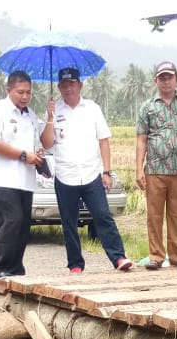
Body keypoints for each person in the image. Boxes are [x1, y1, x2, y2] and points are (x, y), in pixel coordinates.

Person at [40, 67, 132, 274]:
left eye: (71, 84)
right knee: (69, 222)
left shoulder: (92, 108)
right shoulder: (56, 112)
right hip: (65, 175)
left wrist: (107, 172)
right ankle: (75, 264)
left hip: (91, 174)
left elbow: (104, 141)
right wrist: (49, 117)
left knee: (102, 215)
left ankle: (118, 257)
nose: (67, 88)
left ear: (80, 85)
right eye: (63, 85)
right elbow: (46, 144)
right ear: (60, 88)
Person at [0, 70, 44, 278]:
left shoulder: (32, 116)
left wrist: (36, 154)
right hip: (1, 177)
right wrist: (24, 155)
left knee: (24, 225)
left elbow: (36, 144)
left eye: (28, 92)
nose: (25, 96)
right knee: (13, 219)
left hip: (25, 180)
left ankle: (15, 267)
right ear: (9, 90)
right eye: (20, 92)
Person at [136, 61, 177, 271]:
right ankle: (156, 256)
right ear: (156, 81)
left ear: (176, 79)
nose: (166, 81)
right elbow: (141, 139)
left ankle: (176, 256)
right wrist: (138, 169)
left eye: (169, 77)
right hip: (154, 170)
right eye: (162, 77)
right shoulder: (148, 107)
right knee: (154, 215)